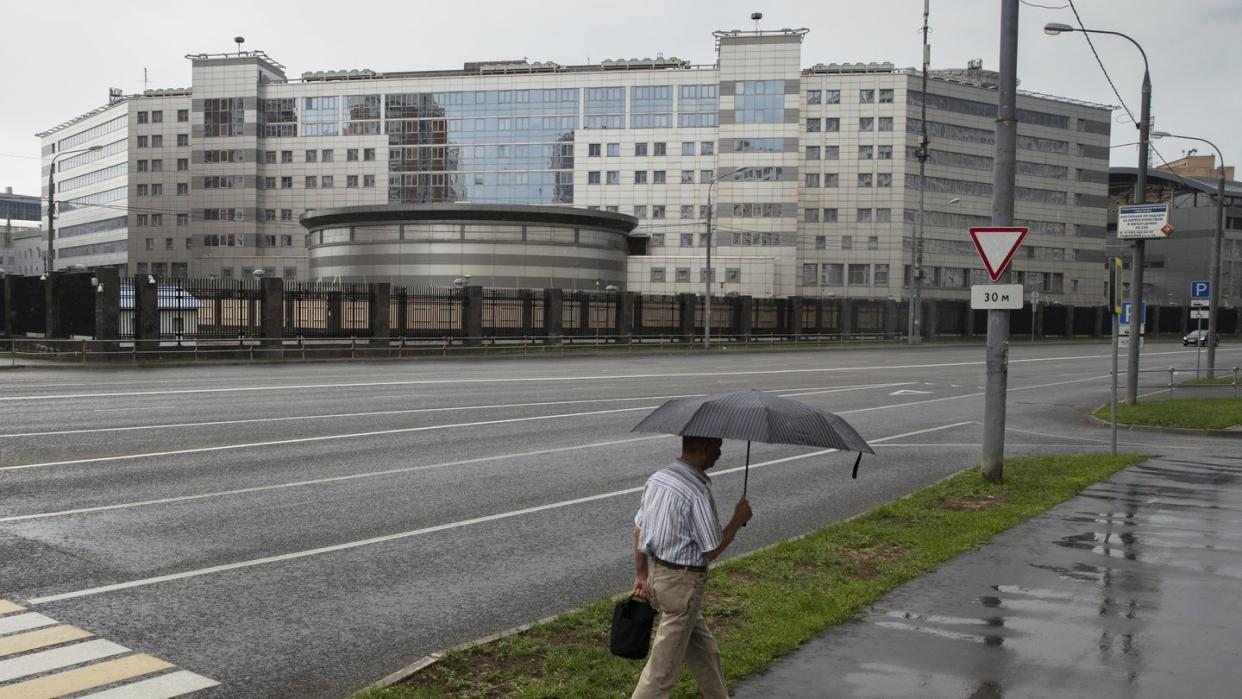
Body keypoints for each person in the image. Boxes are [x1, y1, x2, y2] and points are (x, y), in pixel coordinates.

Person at [630, 435, 753, 699]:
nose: (720, 453)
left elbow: (638, 530)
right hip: (683, 586)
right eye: (718, 447)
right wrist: (737, 520)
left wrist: (642, 575)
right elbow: (711, 549)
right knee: (660, 674)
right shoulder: (696, 491)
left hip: (659, 579)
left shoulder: (658, 479)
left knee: (705, 652)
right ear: (706, 448)